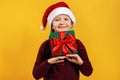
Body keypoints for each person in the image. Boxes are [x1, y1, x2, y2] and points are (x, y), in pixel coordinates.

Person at [32, 1, 93, 80]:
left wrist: (80, 62)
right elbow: (36, 75)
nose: (62, 22)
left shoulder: (78, 44)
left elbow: (88, 72)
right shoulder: (45, 45)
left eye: (66, 19)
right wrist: (49, 62)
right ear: (52, 26)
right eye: (57, 20)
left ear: (71, 24)